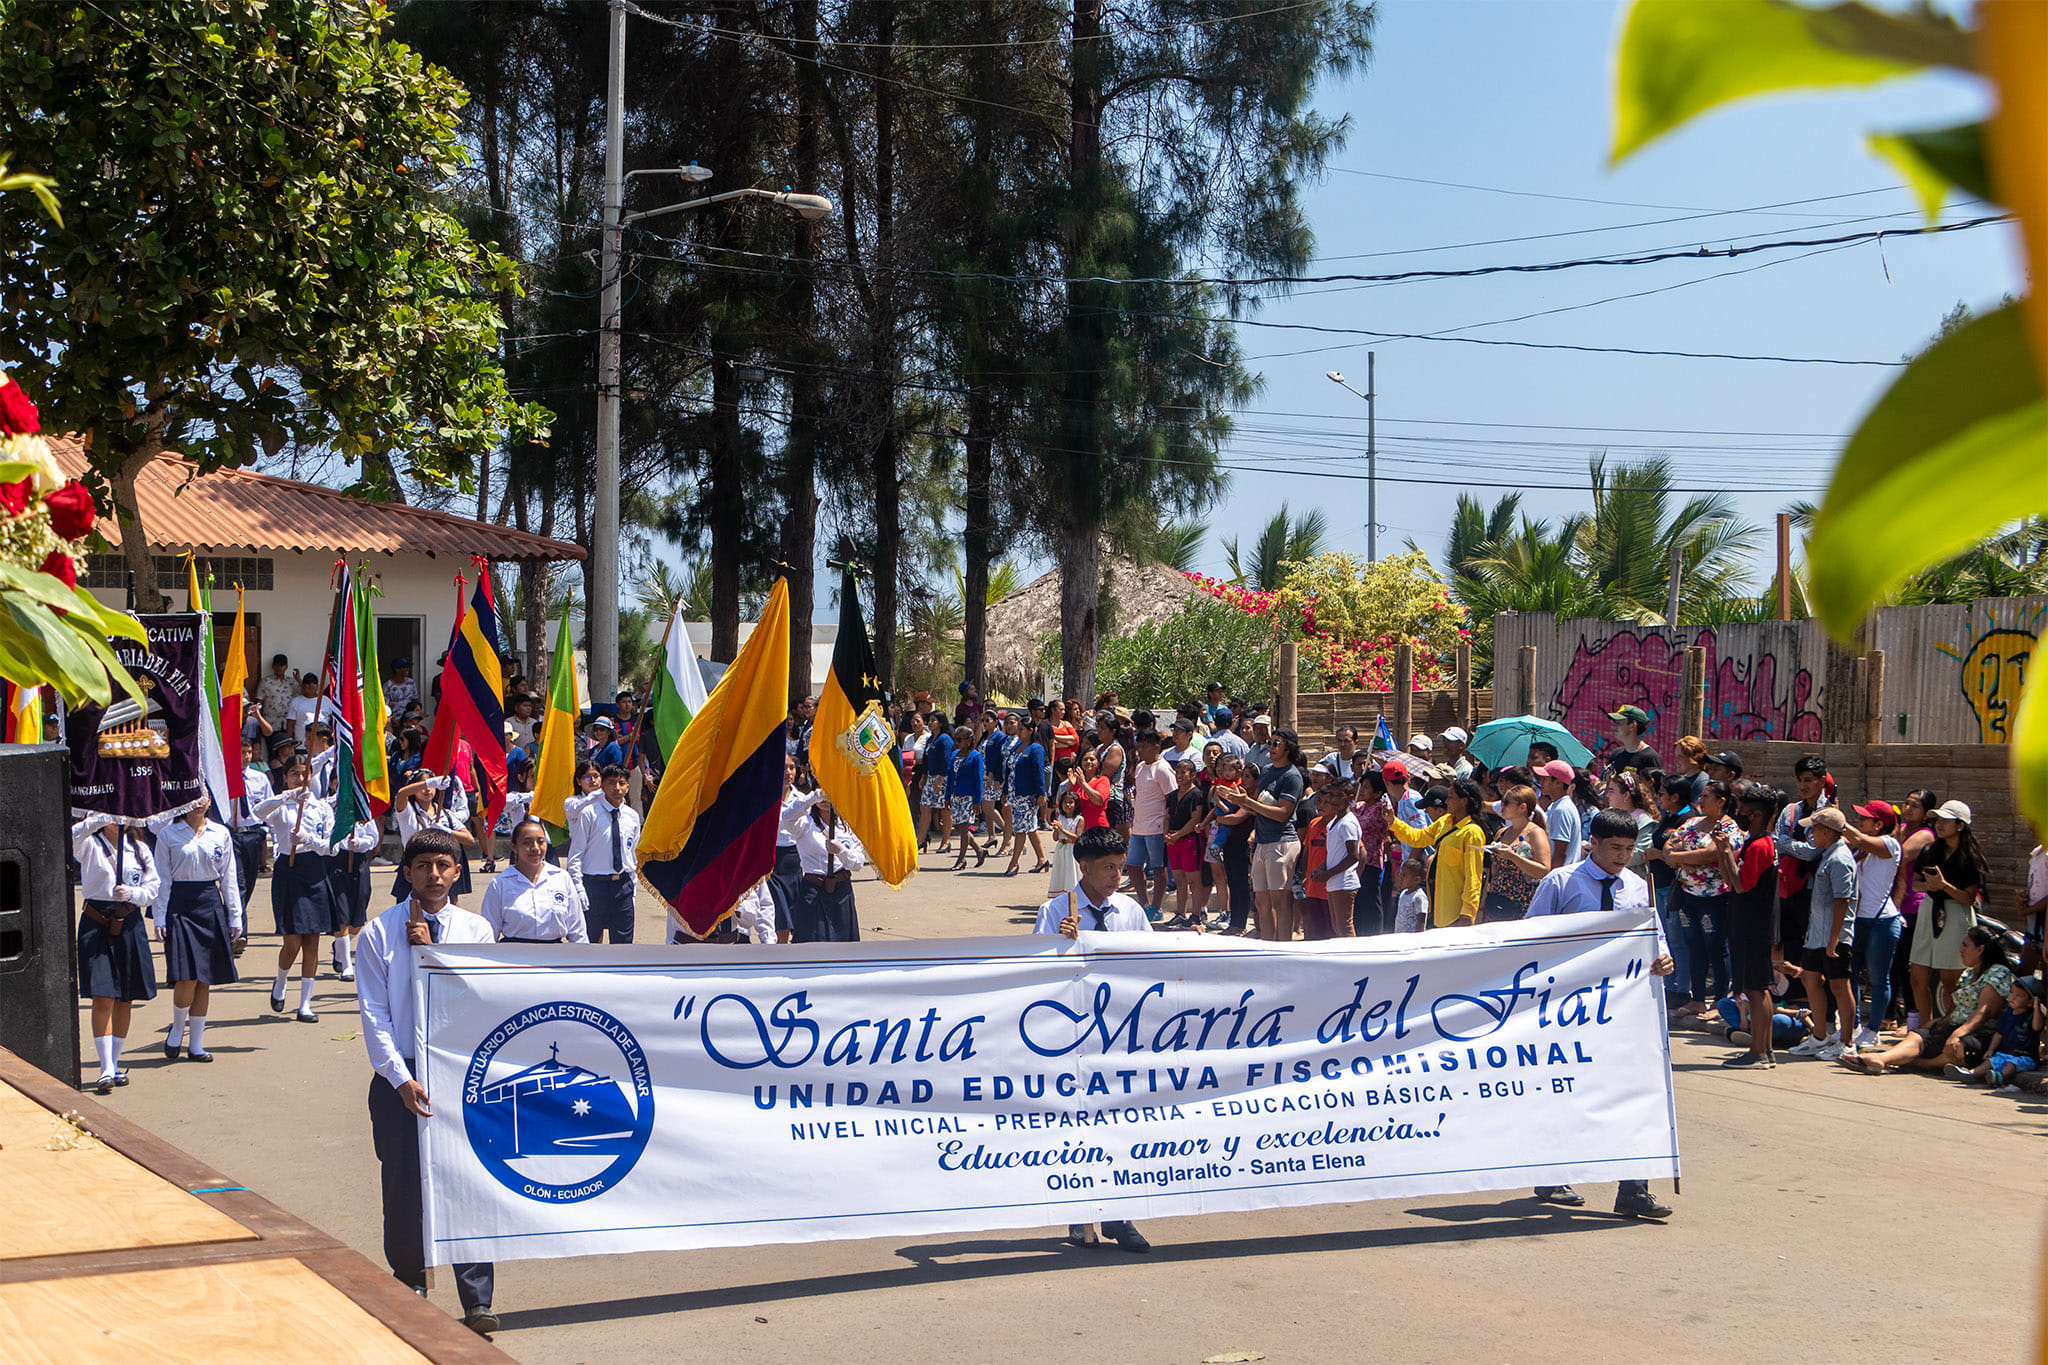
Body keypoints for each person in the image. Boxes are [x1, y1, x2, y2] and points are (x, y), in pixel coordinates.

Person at [356, 829, 498, 1337]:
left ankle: (477, 1298)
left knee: (468, 1182)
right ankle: (410, 1282)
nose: (433, 875)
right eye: (423, 866)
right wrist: (399, 1078)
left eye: (443, 865)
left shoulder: (476, 930)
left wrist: (434, 953)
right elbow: (374, 1014)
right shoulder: (378, 933)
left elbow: (481, 997)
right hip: (401, 1075)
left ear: (457, 872)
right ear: (406, 872)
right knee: (403, 1184)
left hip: (459, 1072)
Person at [1522, 807, 1677, 1220]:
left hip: (1624, 1007)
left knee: (1633, 1092)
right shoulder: (1561, 882)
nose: (1622, 857)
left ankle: (1634, 1189)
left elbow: (1653, 935)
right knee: (1568, 1091)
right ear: (1593, 843)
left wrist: (1663, 957)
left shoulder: (1638, 887)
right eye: (1615, 848)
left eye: (1629, 849)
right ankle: (1552, 1174)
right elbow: (1530, 937)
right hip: (1569, 1007)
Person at [1030, 824, 1153, 1254]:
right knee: (1078, 1127)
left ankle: (1119, 1215)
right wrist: (1058, 945)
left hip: (1120, 1034)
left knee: (1120, 1125)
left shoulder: (1130, 911)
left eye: (1120, 867)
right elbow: (1031, 971)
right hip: (1074, 1038)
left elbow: (1152, 961)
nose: (1117, 876)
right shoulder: (1054, 911)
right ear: (1084, 867)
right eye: (1108, 868)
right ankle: (1080, 1214)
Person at [1844, 925, 2013, 1076]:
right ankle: (1881, 1058)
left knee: (1959, 1048)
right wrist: (1939, 1023)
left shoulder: (1998, 972)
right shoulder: (1968, 973)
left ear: (1980, 949)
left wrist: (1957, 1034)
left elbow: (1983, 1012)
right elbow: (1957, 1010)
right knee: (1918, 1035)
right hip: (1957, 1028)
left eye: (1965, 945)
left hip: (1982, 1035)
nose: (1960, 950)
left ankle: (1919, 1064)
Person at [147, 797, 243, 1063]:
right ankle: (178, 1028)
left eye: (204, 796)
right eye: (193, 797)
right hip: (180, 904)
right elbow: (162, 878)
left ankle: (197, 1043)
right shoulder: (168, 833)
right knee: (186, 976)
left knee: (204, 978)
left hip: (209, 903)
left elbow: (229, 876)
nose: (199, 802)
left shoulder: (220, 833)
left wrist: (235, 916)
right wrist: (159, 916)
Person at [73, 814, 160, 1093]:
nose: (117, 818)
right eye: (111, 813)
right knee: (102, 995)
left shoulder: (139, 848)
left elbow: (153, 888)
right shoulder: (90, 844)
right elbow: (72, 838)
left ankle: (115, 1061)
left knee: (125, 997)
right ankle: (105, 1068)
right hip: (97, 922)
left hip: (129, 922)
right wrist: (97, 818)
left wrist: (132, 893)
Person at [253, 757, 336, 1023]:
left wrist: (309, 840)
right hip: (288, 871)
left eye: (304, 774)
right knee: (292, 942)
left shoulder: (322, 807)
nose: (300, 779)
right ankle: (281, 980)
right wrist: (286, 797)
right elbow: (258, 812)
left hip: (314, 871)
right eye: (294, 774)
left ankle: (305, 1004)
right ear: (285, 777)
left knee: (312, 941)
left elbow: (332, 847)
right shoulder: (282, 806)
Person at [1654, 779, 1739, 1017]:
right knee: (1694, 946)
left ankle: (1720, 1001)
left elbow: (1710, 854)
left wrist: (1679, 857)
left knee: (1716, 948)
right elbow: (1669, 846)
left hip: (1714, 896)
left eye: (1706, 797)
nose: (1700, 801)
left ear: (1721, 801)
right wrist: (1680, 859)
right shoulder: (1692, 822)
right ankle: (1698, 999)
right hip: (1687, 894)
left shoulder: (1729, 827)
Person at [1783, 807, 1859, 1061]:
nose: (1811, 833)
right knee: (1810, 979)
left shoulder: (1839, 859)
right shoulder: (1828, 855)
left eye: (1814, 829)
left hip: (1834, 936)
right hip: (1817, 935)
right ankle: (1819, 1037)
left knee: (1839, 985)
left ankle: (1846, 1042)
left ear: (1827, 831)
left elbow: (1842, 901)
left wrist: (1834, 939)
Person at [1718, 781, 1783, 1068]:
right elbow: (1730, 880)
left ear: (1756, 814)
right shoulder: (1755, 842)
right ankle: (1764, 1050)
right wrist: (1723, 852)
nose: (1739, 814)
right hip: (1751, 924)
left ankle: (1758, 1052)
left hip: (1752, 926)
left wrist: (1726, 852)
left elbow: (1742, 885)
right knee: (1759, 988)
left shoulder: (1760, 846)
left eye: (1743, 810)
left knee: (1756, 990)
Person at [1908, 799, 1986, 1019]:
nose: (1939, 824)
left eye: (1946, 820)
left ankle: (1948, 1027)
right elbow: (1915, 883)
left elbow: (1969, 899)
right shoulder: (1930, 850)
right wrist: (1930, 886)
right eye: (1937, 820)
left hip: (1956, 914)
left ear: (1960, 825)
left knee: (1950, 981)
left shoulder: (1970, 857)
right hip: (1929, 910)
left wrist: (1943, 886)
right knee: (1917, 977)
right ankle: (1925, 1027)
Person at [1230, 728, 1308, 942]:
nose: (1271, 747)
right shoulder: (1266, 771)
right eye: (1270, 743)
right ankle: (1267, 943)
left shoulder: (1292, 776)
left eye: (1276, 743)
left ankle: (1283, 945)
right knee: (1261, 901)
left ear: (1288, 748)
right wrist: (1239, 801)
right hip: (1263, 841)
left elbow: (1283, 813)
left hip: (1282, 842)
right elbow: (1257, 806)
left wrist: (1248, 802)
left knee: (1280, 900)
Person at [1839, 800, 1904, 1049]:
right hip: (1857, 920)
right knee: (1850, 975)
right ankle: (1853, 1025)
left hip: (1882, 921)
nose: (1860, 821)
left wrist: (1836, 817)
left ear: (1879, 824)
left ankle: (1873, 1029)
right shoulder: (1859, 848)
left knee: (1878, 979)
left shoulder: (1890, 844)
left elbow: (1857, 837)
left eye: (1865, 818)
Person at [1389, 776, 1487, 928]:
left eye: (1451, 797)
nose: (1447, 801)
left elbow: (1473, 877)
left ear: (1464, 801)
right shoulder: (1445, 821)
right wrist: (1393, 822)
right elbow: (1418, 838)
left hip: (1456, 913)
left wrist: (1468, 913)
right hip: (1438, 908)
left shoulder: (1472, 833)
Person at [479, 818, 590, 943]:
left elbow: (577, 930)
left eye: (541, 841)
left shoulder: (561, 878)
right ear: (514, 846)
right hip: (514, 952)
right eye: (527, 843)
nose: (535, 848)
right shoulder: (500, 883)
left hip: (555, 952)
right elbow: (489, 933)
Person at [568, 764, 641, 942]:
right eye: (611, 783)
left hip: (622, 886)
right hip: (594, 886)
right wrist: (579, 889)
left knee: (623, 944)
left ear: (627, 786)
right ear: (602, 786)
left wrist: (632, 890)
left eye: (621, 783)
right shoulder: (589, 814)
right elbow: (575, 855)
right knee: (590, 942)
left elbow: (633, 856)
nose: (617, 788)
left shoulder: (632, 817)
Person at [783, 787, 866, 942]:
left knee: (844, 947)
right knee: (812, 944)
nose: (826, 800)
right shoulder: (805, 823)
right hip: (814, 889)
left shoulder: (847, 825)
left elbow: (858, 863)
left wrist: (841, 851)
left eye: (830, 793)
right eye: (824, 792)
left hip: (842, 890)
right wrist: (814, 796)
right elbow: (787, 817)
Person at [1773, 754, 1831, 957]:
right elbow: (1776, 844)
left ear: (1821, 781)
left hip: (1816, 890)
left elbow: (1812, 852)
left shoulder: (1828, 814)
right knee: (1790, 946)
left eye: (1807, 780)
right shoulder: (1791, 810)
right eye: (1799, 780)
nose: (1802, 785)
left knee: (1813, 948)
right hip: (1787, 887)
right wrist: (1795, 846)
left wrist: (1786, 843)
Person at [391, 769, 476, 900]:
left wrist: (447, 831)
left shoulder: (445, 814)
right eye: (422, 785)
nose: (427, 789)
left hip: (440, 865)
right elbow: (402, 793)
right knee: (410, 906)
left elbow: (469, 839)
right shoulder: (408, 812)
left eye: (431, 786)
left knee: (447, 902)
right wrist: (431, 782)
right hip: (415, 863)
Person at [1953, 976, 2043, 1087]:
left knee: (2011, 1065)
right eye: (2012, 993)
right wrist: (1991, 1050)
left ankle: (1999, 1077)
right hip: (2005, 1053)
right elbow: (1999, 1034)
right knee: (1990, 1062)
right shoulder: (2006, 1014)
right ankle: (1971, 1074)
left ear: (2030, 1002)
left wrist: (2036, 1008)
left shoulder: (2032, 1016)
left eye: (2018, 996)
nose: (2012, 997)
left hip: (2025, 1056)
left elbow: (2037, 1027)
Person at [1123, 729, 1176, 916]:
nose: (1141, 750)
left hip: (1156, 827)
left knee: (1158, 867)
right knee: (1132, 865)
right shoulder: (1140, 767)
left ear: (1156, 747)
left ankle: (1156, 906)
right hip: (1139, 827)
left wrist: (1167, 826)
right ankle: (1145, 904)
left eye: (1145, 747)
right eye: (1139, 746)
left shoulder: (1163, 769)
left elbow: (1172, 798)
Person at [1481, 784, 1551, 923]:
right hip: (1497, 902)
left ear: (1522, 807)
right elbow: (1492, 873)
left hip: (1523, 904)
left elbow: (1544, 870)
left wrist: (1513, 856)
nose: (1502, 806)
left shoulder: (1535, 833)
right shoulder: (1502, 833)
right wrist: (1482, 906)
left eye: (1506, 802)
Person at [1306, 780, 1361, 937]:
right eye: (1332, 795)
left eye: (1339, 795)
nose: (1334, 800)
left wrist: (1327, 874)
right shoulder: (1334, 823)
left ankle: (1352, 951)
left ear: (1350, 798)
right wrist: (1321, 868)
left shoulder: (1348, 823)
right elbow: (1333, 853)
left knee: (1344, 926)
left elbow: (1353, 856)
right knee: (1337, 926)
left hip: (1344, 882)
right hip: (1333, 881)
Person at [1162, 759, 1211, 931]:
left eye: (1183, 772)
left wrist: (1178, 835)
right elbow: (1167, 817)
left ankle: (1196, 915)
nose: (1179, 775)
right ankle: (1180, 913)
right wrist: (1166, 834)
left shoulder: (1196, 795)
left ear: (1192, 774)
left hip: (1189, 841)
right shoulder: (1172, 795)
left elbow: (1195, 819)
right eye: (1177, 772)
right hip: (1173, 841)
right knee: (1179, 879)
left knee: (1194, 880)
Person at [1004, 715, 1050, 876]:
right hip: (1015, 794)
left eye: (1022, 729)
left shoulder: (1035, 748)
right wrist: (1005, 791)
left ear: (1031, 730)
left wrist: (1041, 793)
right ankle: (1042, 859)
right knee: (1030, 828)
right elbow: (1009, 770)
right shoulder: (1017, 746)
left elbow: (1038, 772)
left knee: (1021, 829)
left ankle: (1014, 863)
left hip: (1027, 795)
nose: (1018, 732)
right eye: (1018, 729)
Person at [946, 726, 988, 870]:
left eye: (959, 739)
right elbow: (950, 777)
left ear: (969, 740)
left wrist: (977, 801)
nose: (956, 742)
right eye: (955, 739)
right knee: (958, 826)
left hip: (969, 796)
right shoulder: (954, 754)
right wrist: (947, 797)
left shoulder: (975, 756)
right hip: (956, 796)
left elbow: (978, 779)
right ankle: (979, 850)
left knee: (964, 827)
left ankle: (961, 859)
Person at [918, 720, 956, 854]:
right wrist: (923, 777)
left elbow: (947, 760)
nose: (930, 722)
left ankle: (945, 841)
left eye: (933, 720)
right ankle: (921, 840)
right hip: (930, 777)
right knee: (925, 806)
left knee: (945, 809)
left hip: (942, 778)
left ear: (940, 722)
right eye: (929, 720)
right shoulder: (930, 738)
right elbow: (925, 759)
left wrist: (940, 780)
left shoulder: (945, 739)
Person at [1537, 760, 1582, 867]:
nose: (1540, 781)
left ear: (1557, 783)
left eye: (1545, 779)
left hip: (1562, 874)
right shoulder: (1558, 806)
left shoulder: (1561, 810)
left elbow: (1560, 853)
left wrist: (1552, 875)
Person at [1047, 789, 1084, 898]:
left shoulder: (1079, 819)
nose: (1068, 805)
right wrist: (1056, 830)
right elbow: (1056, 838)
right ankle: (1061, 895)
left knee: (1072, 871)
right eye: (1065, 802)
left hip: (1072, 849)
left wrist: (1062, 829)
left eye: (1071, 802)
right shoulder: (1060, 818)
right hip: (1061, 849)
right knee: (1061, 871)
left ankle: (1074, 895)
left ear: (1076, 804)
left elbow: (1077, 837)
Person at [1607, 706, 1658, 776]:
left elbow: (1656, 782)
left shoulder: (1650, 758)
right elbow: (1604, 780)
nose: (1614, 726)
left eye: (1619, 723)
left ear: (1632, 726)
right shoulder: (1616, 755)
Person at [256, 653, 298, 734]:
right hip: (270, 723)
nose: (279, 668)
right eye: (277, 665)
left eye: (282, 665)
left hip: (287, 725)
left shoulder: (292, 682)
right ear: (273, 666)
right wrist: (259, 720)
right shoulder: (265, 681)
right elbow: (259, 701)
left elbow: (302, 697)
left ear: (286, 667)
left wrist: (299, 680)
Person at [1391, 856, 1428, 934]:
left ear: (1416, 879)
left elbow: (1421, 921)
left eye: (1404, 875)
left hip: (1411, 938)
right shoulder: (1403, 893)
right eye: (1400, 874)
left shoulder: (1419, 897)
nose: (1400, 877)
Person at [286, 671, 323, 746]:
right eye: (308, 682)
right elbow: (290, 725)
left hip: (322, 747)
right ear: (303, 685)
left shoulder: (326, 700)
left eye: (314, 682)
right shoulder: (295, 701)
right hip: (301, 746)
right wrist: (289, 744)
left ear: (317, 686)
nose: (311, 685)